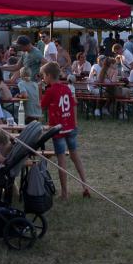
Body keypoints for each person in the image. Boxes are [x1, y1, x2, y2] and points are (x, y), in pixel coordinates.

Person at [40, 62, 91, 198]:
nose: (43, 78)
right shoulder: (67, 88)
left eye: (44, 76)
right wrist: (75, 122)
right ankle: (85, 185)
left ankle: (64, 192)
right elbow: (73, 104)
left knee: (61, 159)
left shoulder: (50, 90)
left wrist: (41, 90)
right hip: (70, 126)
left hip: (58, 129)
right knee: (75, 156)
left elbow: (42, 105)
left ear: (49, 76)